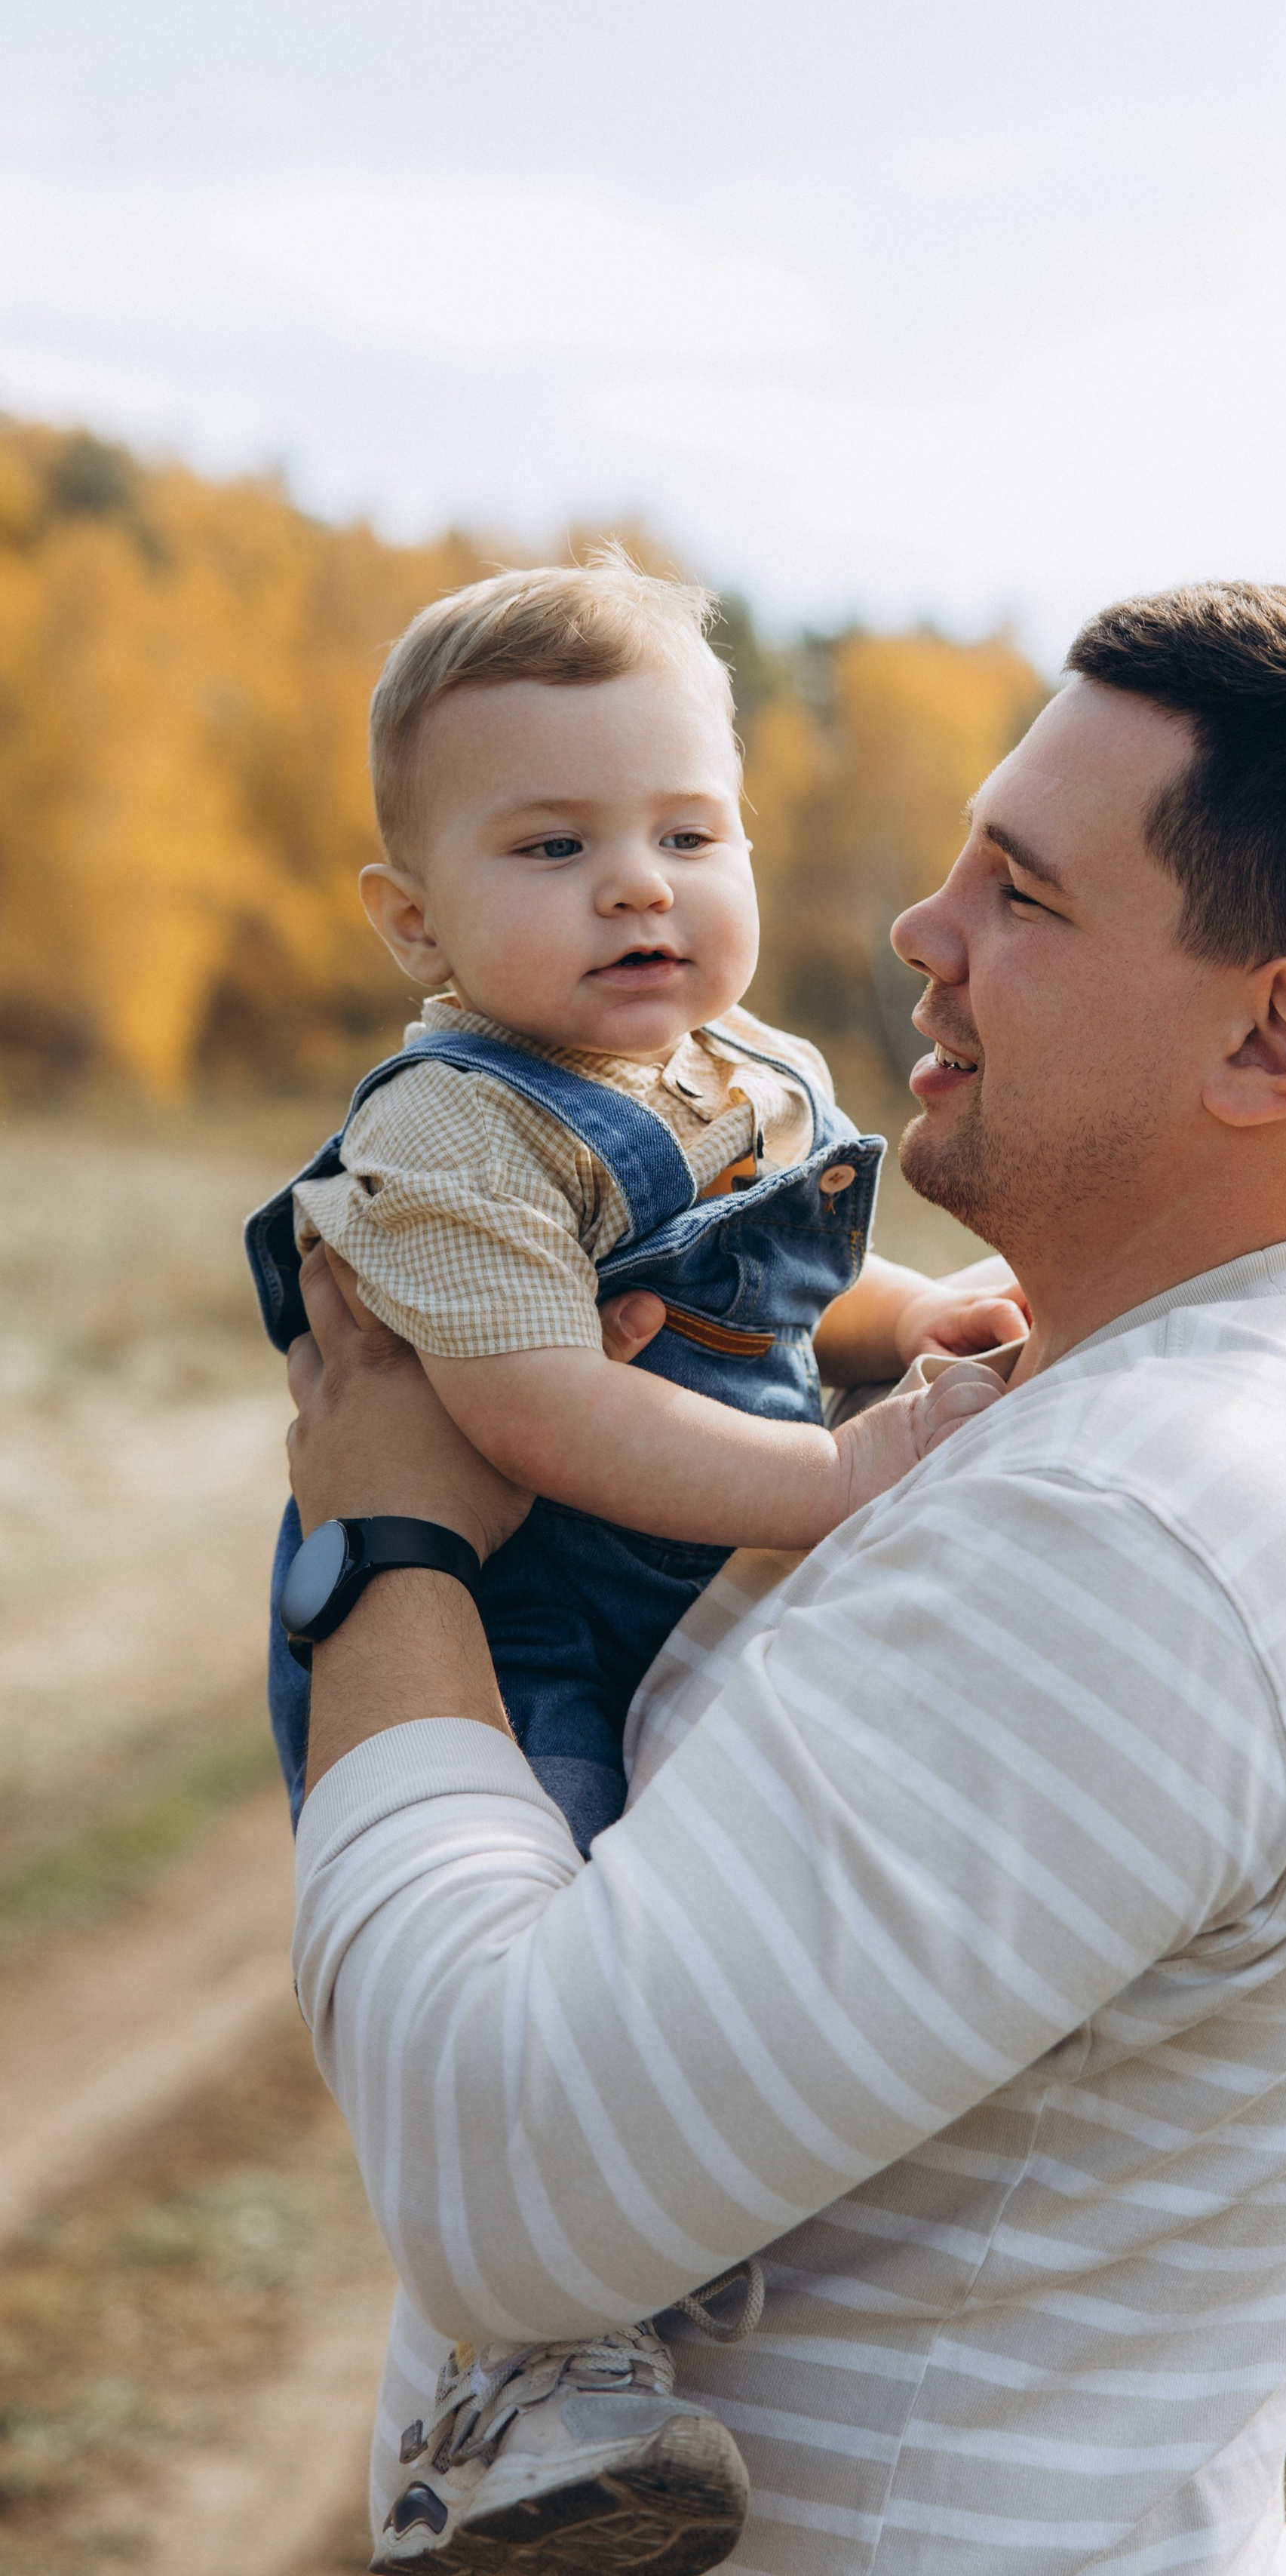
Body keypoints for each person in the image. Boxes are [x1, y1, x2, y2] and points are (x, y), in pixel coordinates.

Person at [284, 582, 1286, 2576]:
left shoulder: (1140, 1530)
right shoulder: (1175, 1409)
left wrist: (387, 1539)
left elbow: (502, 2186)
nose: (920, 929)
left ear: (1272, 1036)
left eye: (1024, 896)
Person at [248, 548, 1022, 1851]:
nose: (638, 884)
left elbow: (770, 1309)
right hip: (516, 1617)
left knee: (751, 1861)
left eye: (687, 834)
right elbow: (541, 1412)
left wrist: (905, 1322)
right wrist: (838, 1469)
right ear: (417, 924)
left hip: (712, 1556)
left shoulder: (752, 1069)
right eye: (555, 845)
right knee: (539, 1882)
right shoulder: (457, 1127)